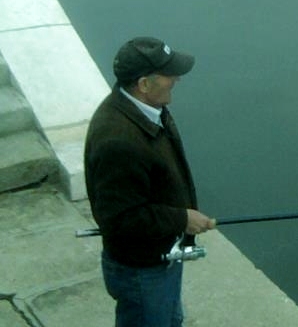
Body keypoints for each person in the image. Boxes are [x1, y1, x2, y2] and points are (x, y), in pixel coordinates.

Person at [84, 36, 217, 327]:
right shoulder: (118, 141)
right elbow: (118, 219)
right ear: (144, 84)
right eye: (170, 75)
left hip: (159, 259)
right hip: (142, 271)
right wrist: (181, 218)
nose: (177, 79)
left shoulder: (147, 110)